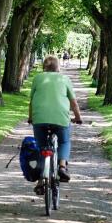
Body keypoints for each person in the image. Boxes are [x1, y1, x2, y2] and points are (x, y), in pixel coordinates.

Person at [28, 55, 82, 191]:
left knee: (41, 146)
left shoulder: (38, 78)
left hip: (39, 119)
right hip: (61, 119)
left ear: (43, 67)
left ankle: (40, 181)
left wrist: (31, 118)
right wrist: (78, 117)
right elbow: (73, 103)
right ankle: (62, 167)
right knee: (64, 141)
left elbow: (32, 102)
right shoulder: (65, 79)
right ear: (58, 67)